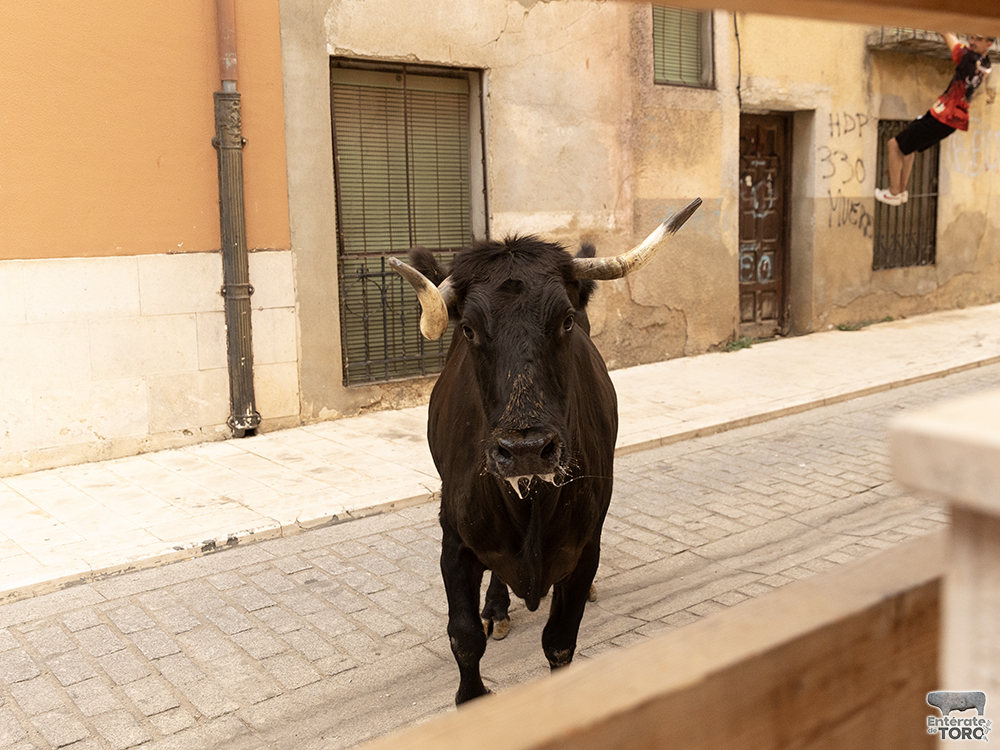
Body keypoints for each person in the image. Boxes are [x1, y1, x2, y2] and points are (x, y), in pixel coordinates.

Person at [875, 33, 996, 206]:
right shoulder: (986, 65)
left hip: (943, 116)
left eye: (977, 39)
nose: (971, 42)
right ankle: (901, 192)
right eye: (971, 38)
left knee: (893, 145)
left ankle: (894, 192)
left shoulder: (968, 57)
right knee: (907, 149)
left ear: (988, 44)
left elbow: (947, 35)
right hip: (952, 119)